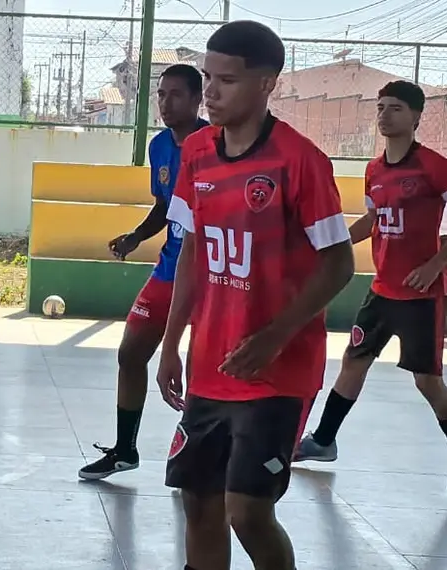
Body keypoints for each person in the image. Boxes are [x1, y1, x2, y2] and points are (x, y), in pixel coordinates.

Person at [156, 21, 355, 570]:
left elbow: (339, 263)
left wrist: (275, 336)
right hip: (211, 367)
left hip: (277, 372)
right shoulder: (197, 152)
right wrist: (172, 343)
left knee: (245, 509)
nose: (212, 93)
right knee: (198, 503)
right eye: (207, 78)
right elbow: (192, 252)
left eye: (228, 81)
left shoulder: (300, 161)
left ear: (267, 84)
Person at [295, 81, 447, 463]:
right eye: (380, 107)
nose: (384, 114)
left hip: (422, 296)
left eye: (395, 108)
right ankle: (324, 440)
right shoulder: (374, 169)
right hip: (382, 291)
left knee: (427, 380)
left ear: (415, 116)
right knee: (354, 360)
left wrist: (436, 264)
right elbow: (374, 218)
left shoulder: (433, 167)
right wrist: (333, 244)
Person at [78, 64, 208, 480]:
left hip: (211, 278)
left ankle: (201, 453)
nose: (166, 103)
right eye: (161, 95)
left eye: (175, 95)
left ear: (196, 100)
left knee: (204, 368)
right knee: (131, 354)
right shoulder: (159, 147)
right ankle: (124, 450)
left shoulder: (216, 145)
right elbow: (167, 207)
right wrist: (136, 236)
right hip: (169, 269)